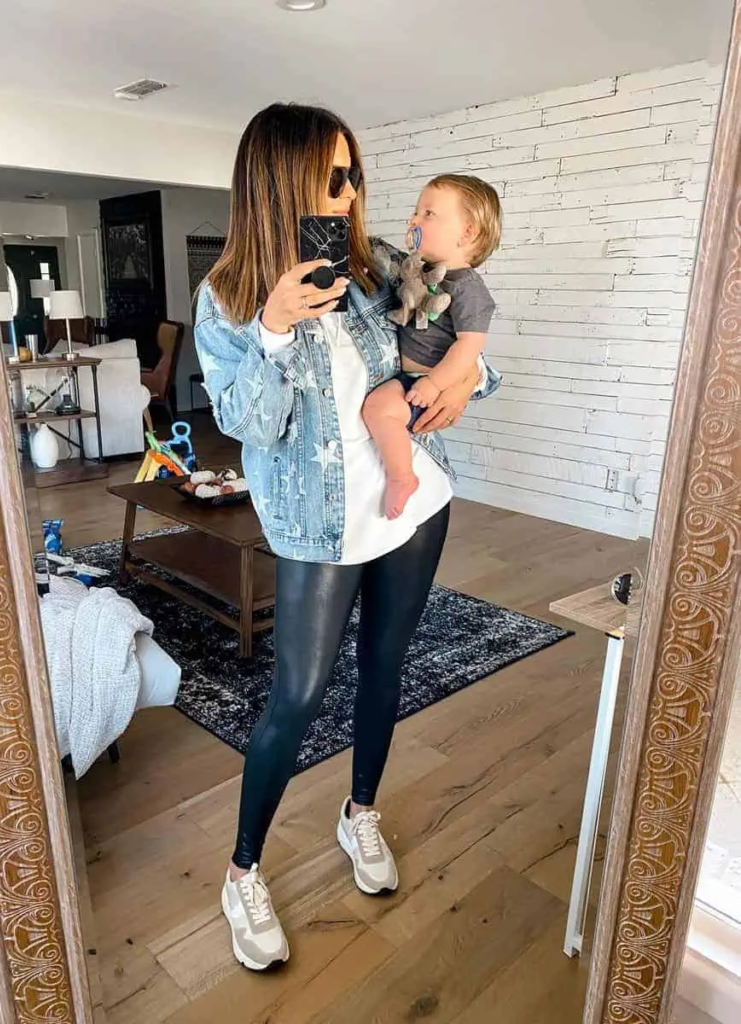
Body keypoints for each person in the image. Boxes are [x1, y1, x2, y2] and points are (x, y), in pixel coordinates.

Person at [194, 102, 488, 973]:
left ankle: (361, 810)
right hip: (321, 523)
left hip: (413, 501)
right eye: (334, 175)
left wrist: (469, 378)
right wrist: (276, 328)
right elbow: (251, 424)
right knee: (299, 694)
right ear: (280, 180)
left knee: (387, 666)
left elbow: (447, 340)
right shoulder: (227, 296)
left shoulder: (376, 271)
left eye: (353, 171)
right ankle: (242, 869)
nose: (352, 190)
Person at [363, 175, 501, 519]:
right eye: (416, 212)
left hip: (425, 379)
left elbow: (469, 349)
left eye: (428, 213)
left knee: (379, 410)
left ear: (467, 233)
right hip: (410, 374)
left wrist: (436, 384)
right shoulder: (419, 272)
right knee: (379, 411)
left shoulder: (469, 289)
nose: (414, 220)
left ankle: (402, 477)